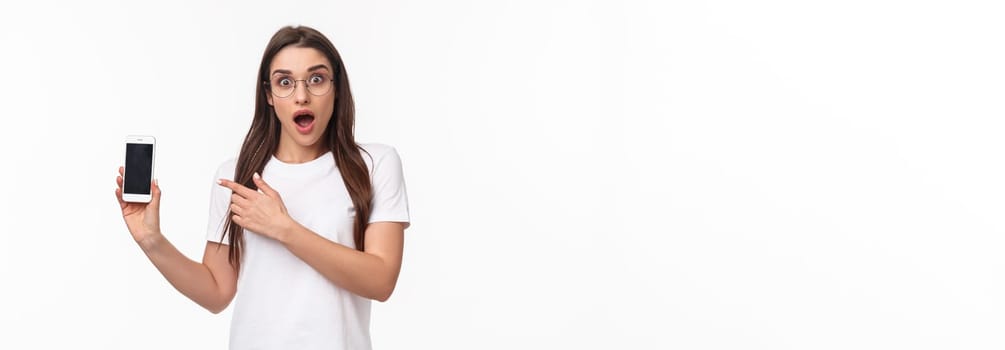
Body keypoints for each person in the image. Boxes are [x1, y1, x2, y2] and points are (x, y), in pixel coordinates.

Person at [114, 25, 410, 350]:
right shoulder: (236, 175)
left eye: (316, 79)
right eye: (285, 82)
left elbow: (381, 280)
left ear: (336, 88)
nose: (301, 95)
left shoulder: (374, 164)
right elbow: (216, 292)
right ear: (269, 95)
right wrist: (152, 240)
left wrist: (285, 229)